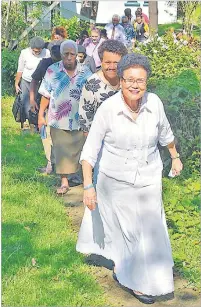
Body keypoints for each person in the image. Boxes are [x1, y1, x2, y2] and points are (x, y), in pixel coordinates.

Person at [76, 53, 183, 304]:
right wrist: (88, 186)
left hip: (149, 177)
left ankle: (150, 278)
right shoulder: (108, 109)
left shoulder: (154, 103)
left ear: (147, 82)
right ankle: (135, 280)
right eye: (129, 80)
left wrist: (175, 157)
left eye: (141, 80)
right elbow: (89, 151)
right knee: (129, 231)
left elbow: (165, 134)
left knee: (151, 230)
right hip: (115, 180)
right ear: (121, 81)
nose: (135, 85)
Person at [38, 40, 92, 195]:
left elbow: (93, 93)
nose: (69, 57)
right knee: (61, 150)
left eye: (72, 54)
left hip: (80, 119)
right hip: (57, 118)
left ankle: (80, 177)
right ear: (61, 55)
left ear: (77, 55)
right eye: (65, 54)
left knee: (80, 149)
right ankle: (64, 182)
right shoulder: (52, 71)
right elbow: (46, 95)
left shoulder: (85, 71)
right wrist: (41, 115)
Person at [79, 39, 127, 185]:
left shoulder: (128, 80)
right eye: (108, 62)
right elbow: (85, 120)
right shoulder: (92, 84)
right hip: (103, 146)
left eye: (116, 62)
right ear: (101, 61)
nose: (112, 67)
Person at [30, 44, 61, 175]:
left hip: (65, 107)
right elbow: (34, 81)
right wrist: (32, 99)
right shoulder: (45, 64)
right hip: (47, 103)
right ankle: (50, 164)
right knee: (46, 135)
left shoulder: (70, 65)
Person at [15, 36, 50, 127]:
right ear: (31, 48)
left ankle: (38, 121)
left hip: (40, 82)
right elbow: (20, 69)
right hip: (27, 81)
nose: (37, 53)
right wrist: (16, 83)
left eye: (39, 51)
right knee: (26, 102)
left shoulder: (47, 53)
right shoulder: (24, 53)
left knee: (38, 102)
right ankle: (29, 123)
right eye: (35, 51)